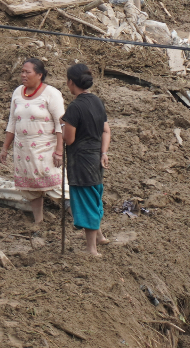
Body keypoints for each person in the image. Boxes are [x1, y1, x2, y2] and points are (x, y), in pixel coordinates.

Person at [0, 58, 65, 224]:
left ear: (39, 75)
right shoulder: (17, 92)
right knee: (31, 188)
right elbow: (12, 122)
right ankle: (38, 220)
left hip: (45, 150)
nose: (23, 75)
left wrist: (59, 151)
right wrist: (5, 148)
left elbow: (60, 124)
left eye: (27, 72)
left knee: (58, 187)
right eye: (22, 71)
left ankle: (82, 220)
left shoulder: (52, 94)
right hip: (23, 149)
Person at [62, 63, 110, 256]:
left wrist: (64, 126)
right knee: (95, 196)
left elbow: (69, 139)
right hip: (96, 158)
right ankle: (99, 235)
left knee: (86, 201)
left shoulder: (75, 107)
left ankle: (92, 249)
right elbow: (106, 130)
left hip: (81, 162)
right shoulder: (96, 101)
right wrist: (104, 152)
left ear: (71, 82)